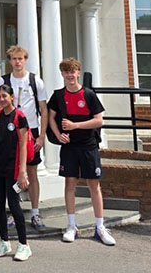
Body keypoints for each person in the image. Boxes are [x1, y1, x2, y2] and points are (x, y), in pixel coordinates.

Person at [47, 57, 116, 246]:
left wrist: (75, 125)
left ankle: (100, 227)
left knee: (94, 186)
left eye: (73, 71)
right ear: (62, 74)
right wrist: (58, 134)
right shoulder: (58, 95)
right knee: (70, 184)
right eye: (66, 71)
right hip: (69, 147)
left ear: (78, 73)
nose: (70, 75)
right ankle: (71, 226)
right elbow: (50, 117)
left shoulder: (88, 94)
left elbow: (99, 120)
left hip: (88, 146)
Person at [0, 45, 48, 232]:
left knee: (31, 172)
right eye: (14, 59)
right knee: (11, 173)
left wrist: (41, 136)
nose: (17, 62)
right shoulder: (3, 80)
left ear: (25, 59)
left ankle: (35, 211)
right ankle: (13, 212)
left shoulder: (34, 80)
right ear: (10, 61)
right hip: (9, 130)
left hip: (30, 130)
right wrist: (6, 106)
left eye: (20, 58)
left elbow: (44, 109)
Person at [0, 84, 32, 261]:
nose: (2, 99)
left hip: (14, 168)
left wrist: (23, 172)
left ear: (12, 97)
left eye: (5, 96)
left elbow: (24, 145)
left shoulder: (19, 117)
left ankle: (24, 245)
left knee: (14, 205)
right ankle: (4, 241)